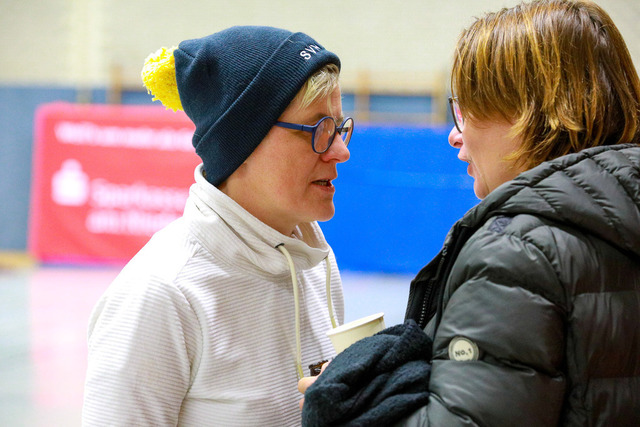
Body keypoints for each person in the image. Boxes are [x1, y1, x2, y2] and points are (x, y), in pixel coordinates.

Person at [299, 1, 640, 425]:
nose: (454, 135)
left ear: (529, 114)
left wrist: (350, 403)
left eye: (466, 110)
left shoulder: (517, 253)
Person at [82, 26, 353, 426]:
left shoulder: (317, 264)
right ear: (242, 145)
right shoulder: (162, 295)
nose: (340, 151)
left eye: (339, 128)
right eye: (317, 130)